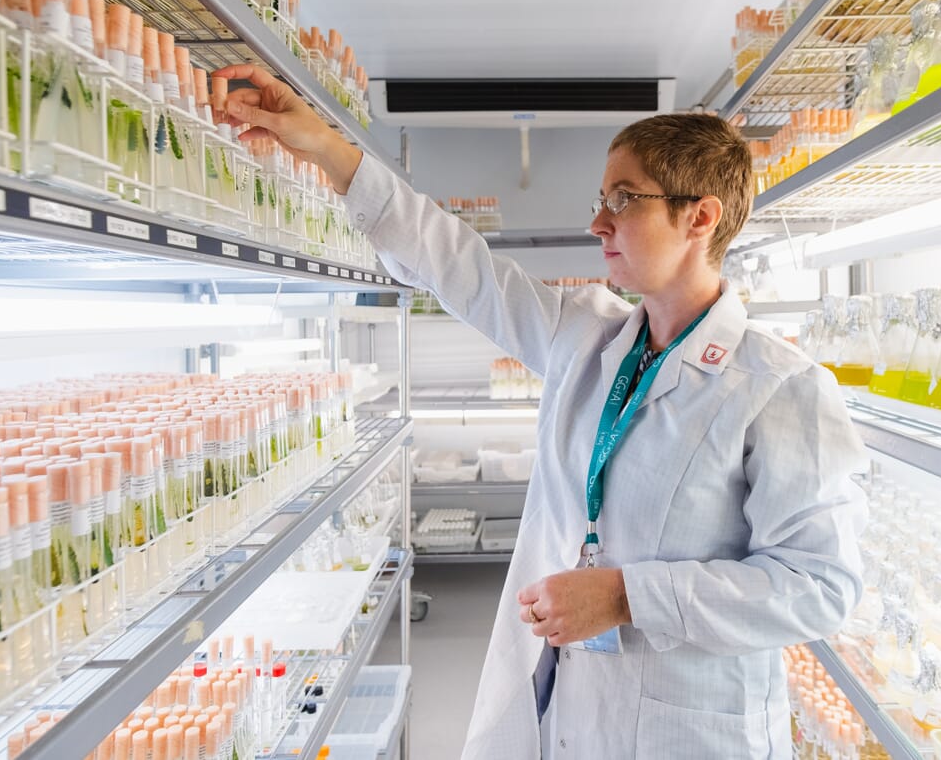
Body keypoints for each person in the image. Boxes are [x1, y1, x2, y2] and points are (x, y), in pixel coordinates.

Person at [214, 64, 869, 760]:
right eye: (601, 196)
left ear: (699, 217)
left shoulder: (779, 385)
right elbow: (455, 260)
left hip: (695, 728)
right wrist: (321, 144)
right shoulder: (587, 335)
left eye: (624, 198)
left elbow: (820, 585)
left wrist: (628, 596)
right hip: (575, 706)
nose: (597, 221)